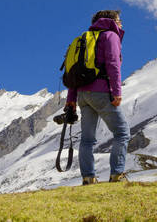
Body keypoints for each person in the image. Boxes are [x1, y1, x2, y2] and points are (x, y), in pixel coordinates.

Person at [65, 10, 130, 185]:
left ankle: (88, 177)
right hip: (102, 91)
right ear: (112, 21)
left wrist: (71, 99)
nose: (121, 24)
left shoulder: (83, 39)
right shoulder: (110, 36)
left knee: (87, 140)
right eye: (119, 20)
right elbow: (113, 64)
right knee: (122, 133)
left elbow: (72, 71)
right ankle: (117, 174)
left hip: (82, 96)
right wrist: (117, 92)